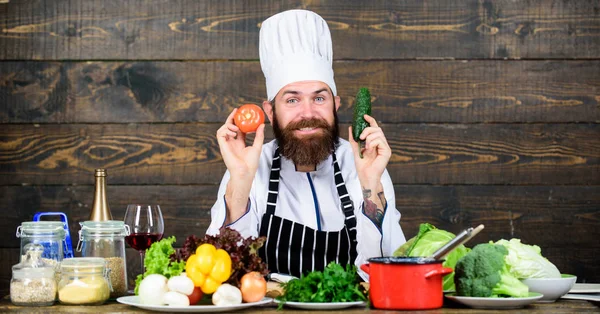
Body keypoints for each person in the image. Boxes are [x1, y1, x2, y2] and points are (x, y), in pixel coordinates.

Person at [207, 9, 405, 279]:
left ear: (335, 105)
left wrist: (371, 184)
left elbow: (387, 272)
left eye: (319, 98)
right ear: (270, 111)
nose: (308, 112)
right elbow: (223, 274)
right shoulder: (249, 166)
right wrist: (240, 181)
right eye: (292, 100)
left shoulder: (363, 163)